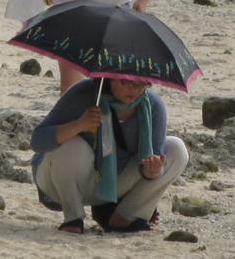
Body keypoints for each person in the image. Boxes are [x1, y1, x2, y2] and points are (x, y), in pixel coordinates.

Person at [30, 76, 188, 234]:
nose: (133, 89)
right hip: (60, 181)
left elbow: (154, 160)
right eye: (125, 81)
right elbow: (37, 141)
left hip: (112, 185)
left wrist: (151, 171)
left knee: (177, 148)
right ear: (109, 79)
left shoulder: (152, 105)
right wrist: (79, 125)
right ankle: (73, 218)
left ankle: (127, 216)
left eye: (140, 83)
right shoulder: (83, 93)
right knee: (72, 145)